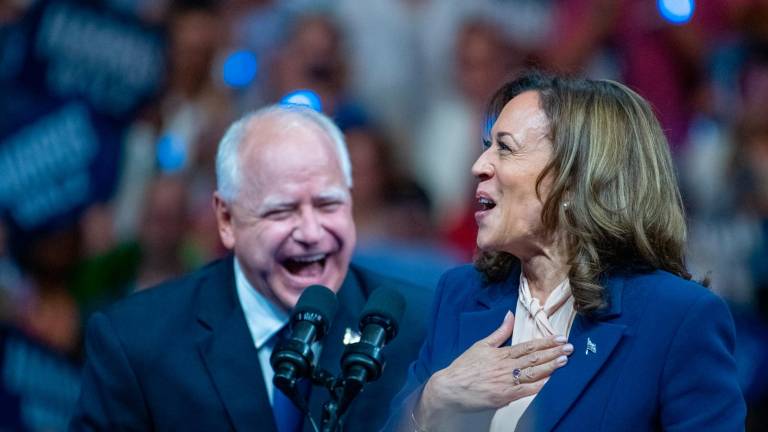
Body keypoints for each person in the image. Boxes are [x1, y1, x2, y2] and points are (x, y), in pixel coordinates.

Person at [383, 71, 746, 432]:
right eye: (486, 146)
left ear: (574, 180)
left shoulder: (676, 317)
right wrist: (432, 401)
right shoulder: (461, 294)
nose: (479, 166)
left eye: (505, 148)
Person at [69, 105, 431, 431]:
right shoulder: (137, 342)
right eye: (282, 210)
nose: (311, 232)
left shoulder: (420, 329)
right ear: (226, 219)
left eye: (328, 205)